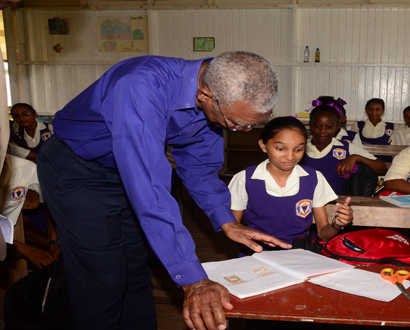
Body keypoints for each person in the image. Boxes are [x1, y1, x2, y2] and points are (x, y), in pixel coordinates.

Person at [37, 51, 290, 330]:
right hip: (78, 171)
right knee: (103, 277)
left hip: (125, 172)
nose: (245, 130)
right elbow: (149, 188)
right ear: (205, 95)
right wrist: (193, 280)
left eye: (254, 123)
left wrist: (227, 220)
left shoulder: (216, 101)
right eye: (237, 123)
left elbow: (199, 167)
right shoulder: (140, 85)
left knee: (135, 270)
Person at [228, 116, 353, 255]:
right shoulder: (244, 179)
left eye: (298, 149)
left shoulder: (313, 178)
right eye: (280, 148)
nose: (290, 156)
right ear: (263, 146)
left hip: (300, 254)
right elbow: (233, 229)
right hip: (256, 254)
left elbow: (323, 234)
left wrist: (338, 224)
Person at [301, 105, 387, 195]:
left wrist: (356, 157)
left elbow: (382, 169)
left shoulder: (346, 147)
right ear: (310, 125)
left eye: (329, 127)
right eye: (318, 126)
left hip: (338, 203)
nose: (323, 131)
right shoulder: (301, 147)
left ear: (337, 126)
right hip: (305, 201)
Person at [1, 154, 60, 269]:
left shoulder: (24, 168)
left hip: (10, 233)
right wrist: (26, 250)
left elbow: (50, 199)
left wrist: (54, 241)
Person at [352, 98, 394, 162]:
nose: (374, 112)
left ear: (383, 111)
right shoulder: (358, 125)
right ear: (366, 110)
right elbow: (354, 143)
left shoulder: (390, 127)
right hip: (363, 160)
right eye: (370, 109)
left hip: (385, 161)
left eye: (377, 109)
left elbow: (392, 145)